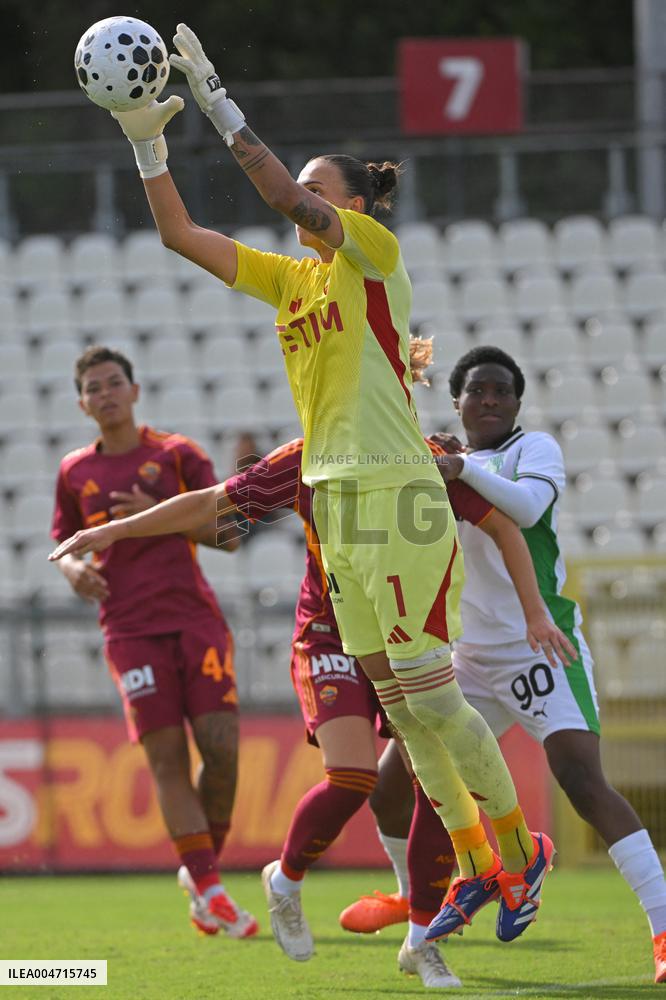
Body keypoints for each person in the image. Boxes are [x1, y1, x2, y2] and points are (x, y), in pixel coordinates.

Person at [94, 21, 558, 953]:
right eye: (302, 187)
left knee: (429, 695)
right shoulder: (291, 282)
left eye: (317, 188)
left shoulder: (372, 257)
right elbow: (181, 233)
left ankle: (520, 849)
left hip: (395, 494)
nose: (300, 198)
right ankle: (476, 861)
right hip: (334, 504)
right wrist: (143, 134)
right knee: (404, 699)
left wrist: (219, 104)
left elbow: (276, 193)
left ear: (351, 204)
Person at [49, 343, 574, 985]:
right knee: (357, 775)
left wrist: (535, 612)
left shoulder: (429, 454)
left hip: (406, 630)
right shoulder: (307, 457)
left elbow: (503, 524)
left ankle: (425, 933)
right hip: (332, 630)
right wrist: (115, 531)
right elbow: (215, 504)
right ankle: (294, 877)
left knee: (429, 764)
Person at [344, 345, 666, 985]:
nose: (489, 401)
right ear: (457, 401)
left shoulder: (533, 450)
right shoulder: (431, 462)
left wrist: (458, 466)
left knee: (581, 779)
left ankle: (662, 928)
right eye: (476, 392)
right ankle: (421, 896)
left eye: (501, 392)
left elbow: (525, 512)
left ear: (517, 402)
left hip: (538, 643)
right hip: (463, 654)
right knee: (389, 784)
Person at [50, 345, 257, 940]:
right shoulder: (73, 472)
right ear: (82, 403)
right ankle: (212, 886)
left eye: (115, 382)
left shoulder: (178, 454)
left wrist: (159, 513)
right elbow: (64, 541)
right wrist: (73, 573)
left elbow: (231, 534)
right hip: (128, 629)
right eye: (94, 387)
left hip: (195, 621)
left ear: (135, 391)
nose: (106, 393)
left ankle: (200, 876)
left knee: (221, 751)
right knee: (166, 758)